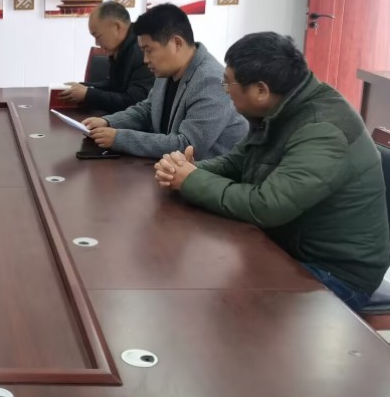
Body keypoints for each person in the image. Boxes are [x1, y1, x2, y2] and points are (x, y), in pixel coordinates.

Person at [154, 32, 390, 310]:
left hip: (336, 272)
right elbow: (237, 163)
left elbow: (268, 205)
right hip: (289, 246)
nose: (225, 89)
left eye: (228, 82)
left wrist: (192, 180)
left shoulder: (322, 130)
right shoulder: (281, 108)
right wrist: (187, 170)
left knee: (226, 305)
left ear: (261, 90)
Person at [82, 3, 247, 160]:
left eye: (149, 50)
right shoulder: (168, 70)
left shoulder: (210, 81)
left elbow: (187, 146)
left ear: (176, 43)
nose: (145, 60)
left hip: (207, 174)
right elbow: (147, 110)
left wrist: (119, 138)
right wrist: (109, 122)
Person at [59, 1, 154, 113]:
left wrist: (88, 94)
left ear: (117, 27)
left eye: (98, 36)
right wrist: (83, 87)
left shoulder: (141, 51)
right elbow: (114, 86)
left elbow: (133, 102)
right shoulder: (121, 48)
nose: (96, 43)